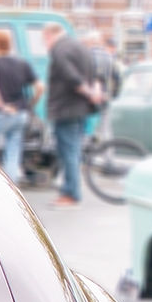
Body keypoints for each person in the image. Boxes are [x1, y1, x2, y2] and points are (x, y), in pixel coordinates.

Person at [43, 22, 103, 207]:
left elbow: (70, 76)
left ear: (49, 35)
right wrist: (95, 91)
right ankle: (71, 190)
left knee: (67, 151)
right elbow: (94, 74)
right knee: (74, 151)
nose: (45, 45)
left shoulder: (59, 49)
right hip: (81, 109)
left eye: (44, 40)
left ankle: (71, 193)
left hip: (65, 108)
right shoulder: (81, 47)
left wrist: (88, 92)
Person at [0, 31, 42, 183]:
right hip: (20, 114)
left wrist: (1, 105)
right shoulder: (22, 63)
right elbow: (40, 87)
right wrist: (29, 104)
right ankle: (11, 187)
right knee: (13, 153)